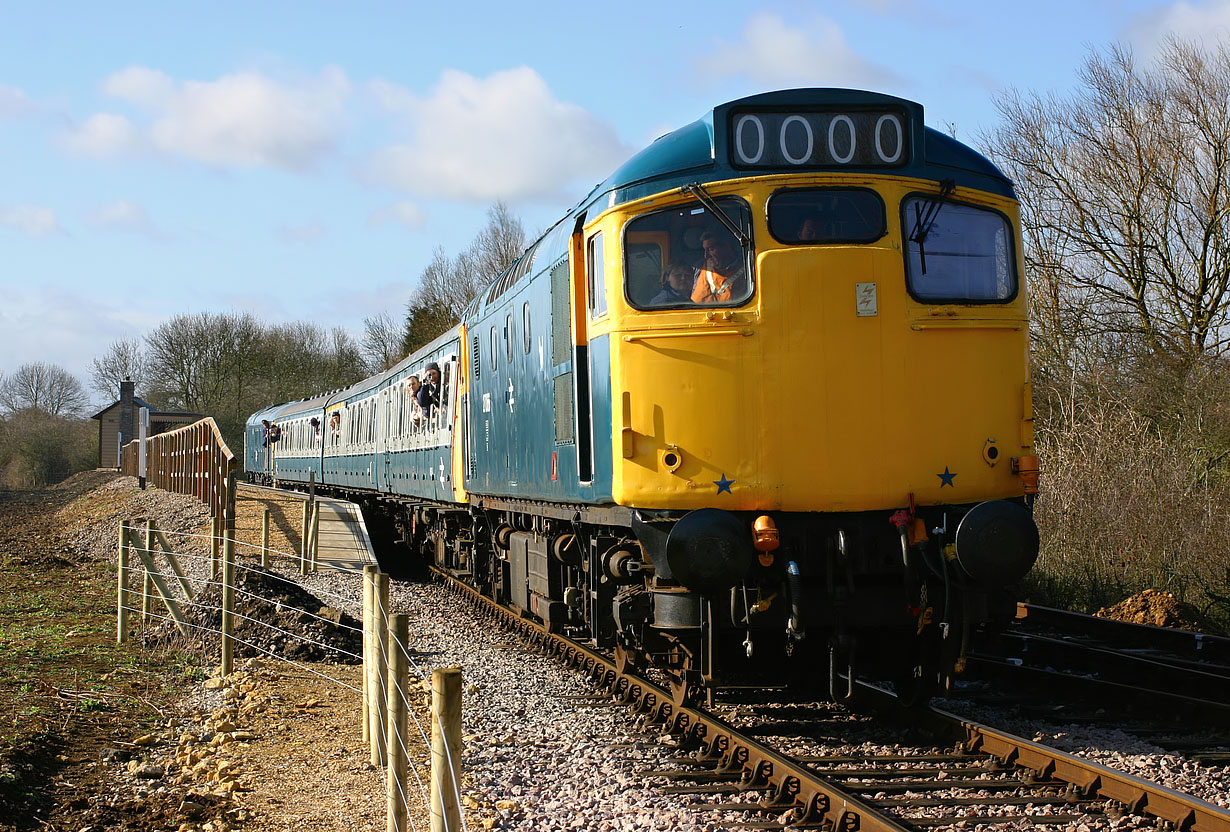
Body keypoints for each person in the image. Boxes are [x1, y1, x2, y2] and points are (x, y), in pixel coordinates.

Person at [691, 229, 747, 304]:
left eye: (711, 249)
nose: (706, 255)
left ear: (727, 247)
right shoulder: (699, 268)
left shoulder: (749, 269)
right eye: (705, 250)